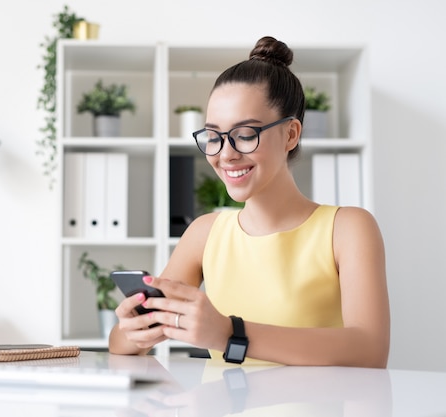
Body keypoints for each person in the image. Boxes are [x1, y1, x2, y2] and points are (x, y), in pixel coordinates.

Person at [109, 36, 390, 368]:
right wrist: (135, 328)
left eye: (245, 135)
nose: (226, 154)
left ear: (290, 134)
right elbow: (121, 345)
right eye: (214, 136)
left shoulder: (347, 229)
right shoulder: (204, 233)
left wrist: (231, 334)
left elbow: (369, 349)